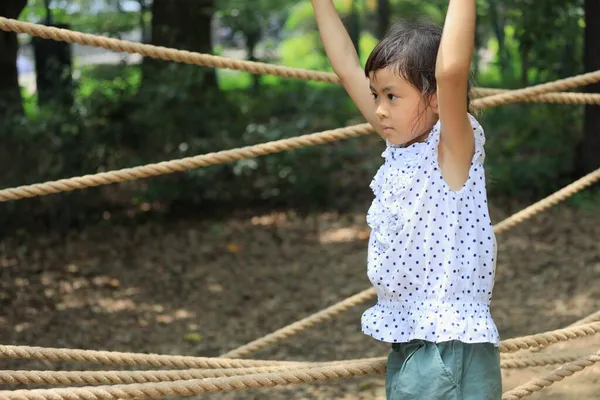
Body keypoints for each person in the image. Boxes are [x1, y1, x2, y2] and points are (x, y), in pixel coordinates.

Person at [310, 1, 502, 399]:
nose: (379, 109)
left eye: (392, 96)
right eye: (375, 95)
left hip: (447, 343)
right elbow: (346, 66)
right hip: (412, 338)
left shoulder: (451, 150)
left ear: (433, 99)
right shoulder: (400, 143)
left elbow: (450, 74)